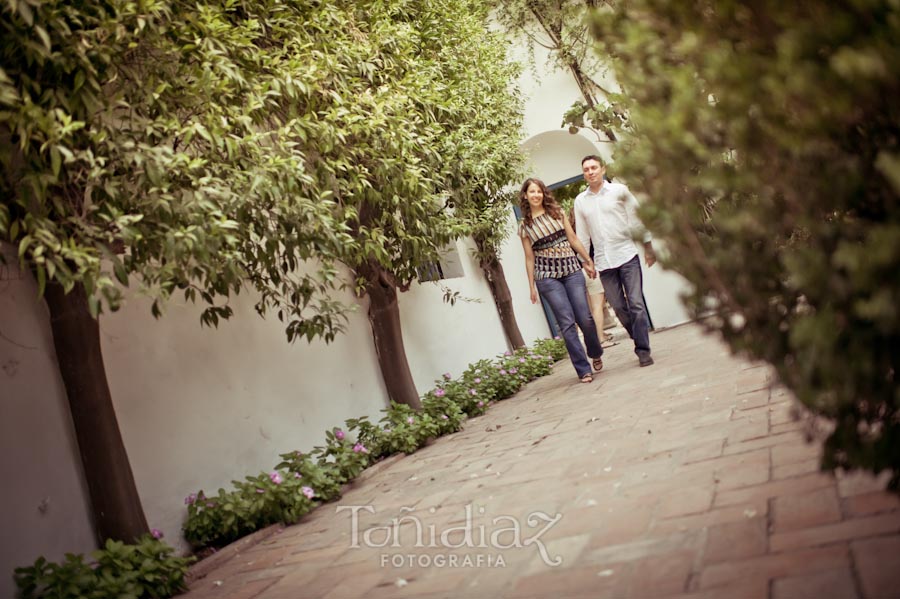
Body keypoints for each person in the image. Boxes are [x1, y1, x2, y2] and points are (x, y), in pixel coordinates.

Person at [519, 177, 605, 383]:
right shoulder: (524, 226)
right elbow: (529, 257)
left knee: (584, 317)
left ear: (543, 193)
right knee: (566, 323)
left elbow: (573, 239)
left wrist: (587, 260)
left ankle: (595, 351)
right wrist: (531, 285)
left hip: (571, 271)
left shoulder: (557, 213)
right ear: (525, 195)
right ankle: (583, 369)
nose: (536, 195)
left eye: (539, 191)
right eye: (532, 191)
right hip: (547, 278)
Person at [573, 155, 657, 367]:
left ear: (602, 169)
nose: (590, 172)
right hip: (604, 262)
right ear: (584, 174)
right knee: (619, 308)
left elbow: (636, 219)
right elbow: (582, 235)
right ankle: (638, 337)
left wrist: (648, 247)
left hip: (627, 255)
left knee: (636, 303)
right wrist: (585, 261)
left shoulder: (619, 191)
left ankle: (643, 350)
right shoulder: (580, 201)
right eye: (586, 169)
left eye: (593, 167)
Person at [568, 208, 616, 348]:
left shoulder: (569, 233)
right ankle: (600, 338)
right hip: (591, 270)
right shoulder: (589, 231)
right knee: (597, 307)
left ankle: (595, 337)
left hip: (576, 273)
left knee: (586, 309)